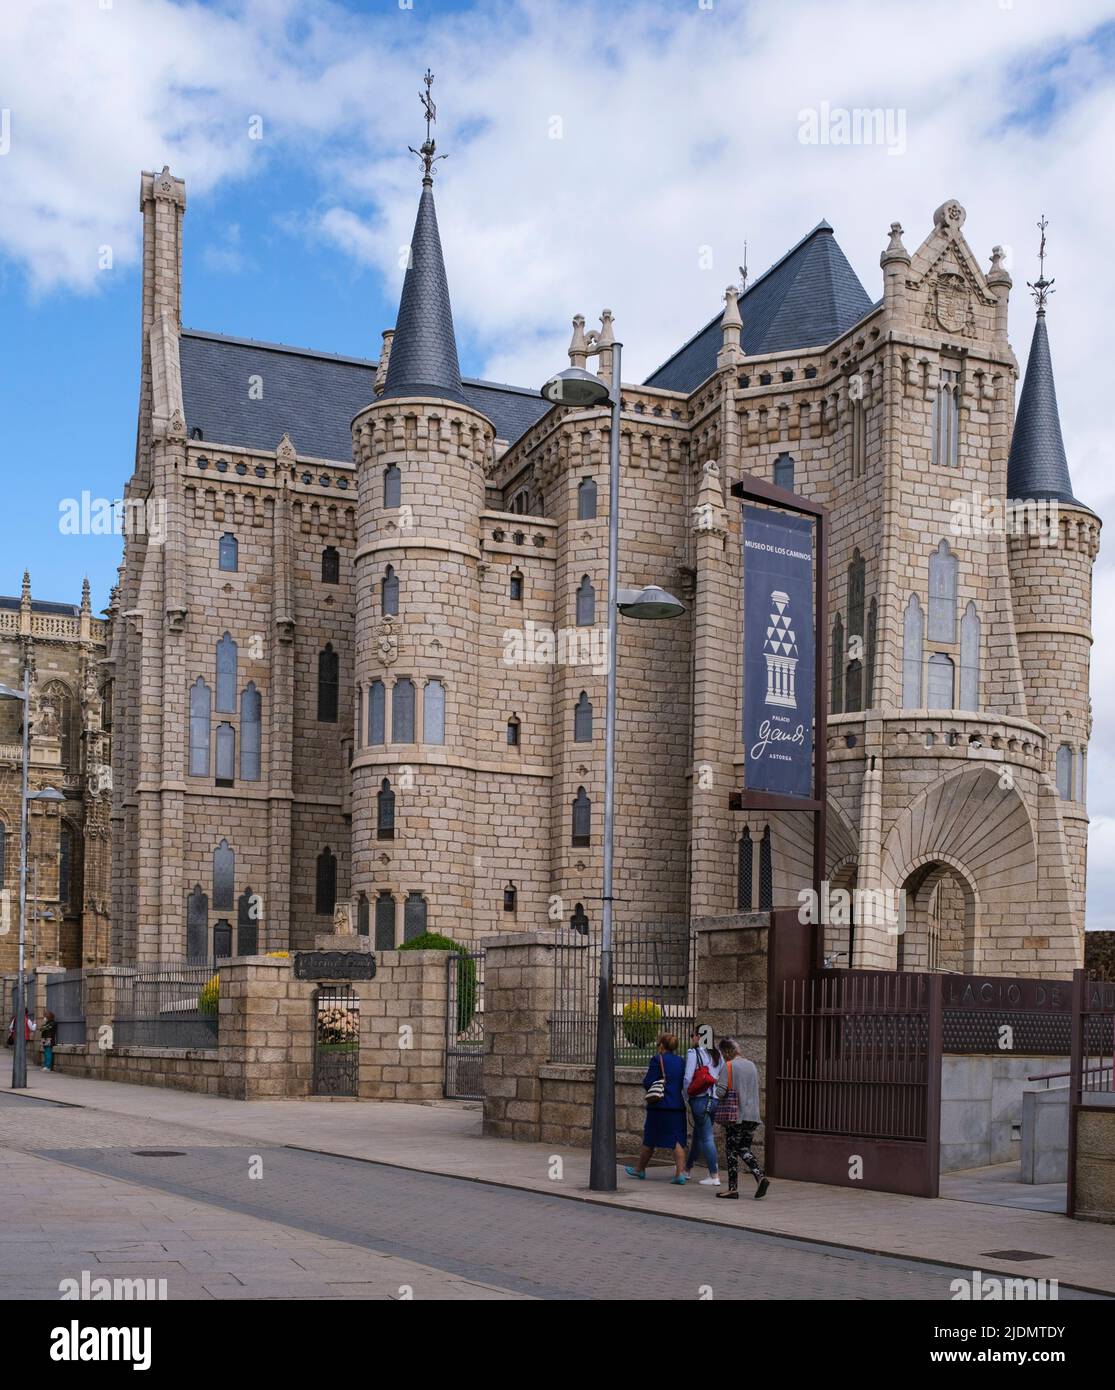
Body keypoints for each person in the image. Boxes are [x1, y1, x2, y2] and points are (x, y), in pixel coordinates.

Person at [625, 1032, 689, 1183]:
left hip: (659, 1106)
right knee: (677, 1140)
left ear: (661, 1044)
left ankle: (640, 1169)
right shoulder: (681, 1061)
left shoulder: (656, 1059)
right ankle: (679, 1174)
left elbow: (648, 1082)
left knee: (650, 1139)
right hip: (677, 1105)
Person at [714, 1036, 770, 1199]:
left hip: (736, 1115)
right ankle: (760, 1176)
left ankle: (733, 1189)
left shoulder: (729, 1066)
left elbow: (720, 1092)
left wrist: (717, 1083)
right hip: (752, 1115)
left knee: (731, 1149)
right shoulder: (751, 1065)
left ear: (726, 1052)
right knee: (744, 1148)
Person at [683, 1027, 722, 1185]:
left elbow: (687, 1077)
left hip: (699, 1099)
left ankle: (714, 1175)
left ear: (699, 1037)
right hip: (714, 1100)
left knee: (706, 1137)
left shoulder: (694, 1053)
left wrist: (685, 1096)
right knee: (699, 1135)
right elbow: (721, 1076)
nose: (692, 1037)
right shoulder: (717, 1054)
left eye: (693, 1035)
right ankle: (687, 1169)